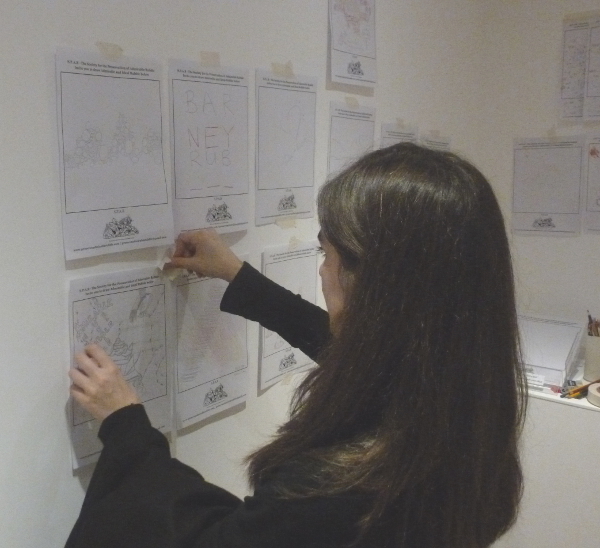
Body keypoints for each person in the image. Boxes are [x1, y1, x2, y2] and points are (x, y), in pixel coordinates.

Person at [66, 142, 526, 548]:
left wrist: (126, 426)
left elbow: (211, 542)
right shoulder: (465, 405)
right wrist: (237, 275)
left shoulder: (339, 487)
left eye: (328, 254)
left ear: (376, 286)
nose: (323, 270)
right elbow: (358, 355)